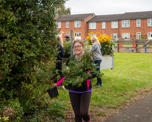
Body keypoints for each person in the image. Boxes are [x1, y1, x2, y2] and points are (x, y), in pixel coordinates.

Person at [54, 40, 94, 122]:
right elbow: (65, 75)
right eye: (75, 47)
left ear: (83, 47)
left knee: (84, 113)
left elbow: (93, 73)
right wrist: (57, 83)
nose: (77, 48)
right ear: (73, 48)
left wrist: (87, 74)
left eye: (79, 46)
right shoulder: (69, 60)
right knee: (77, 114)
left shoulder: (88, 59)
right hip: (73, 90)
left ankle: (87, 119)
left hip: (85, 89)